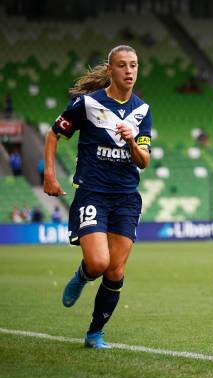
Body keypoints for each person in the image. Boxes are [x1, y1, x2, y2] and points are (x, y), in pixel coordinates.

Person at [43, 45, 152, 349]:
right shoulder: (87, 104)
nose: (129, 71)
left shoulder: (142, 111)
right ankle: (82, 275)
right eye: (122, 65)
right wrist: (50, 175)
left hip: (126, 197)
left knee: (116, 269)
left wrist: (131, 141)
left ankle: (95, 333)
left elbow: (144, 160)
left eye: (133, 65)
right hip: (93, 193)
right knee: (98, 262)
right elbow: (54, 133)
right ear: (109, 70)